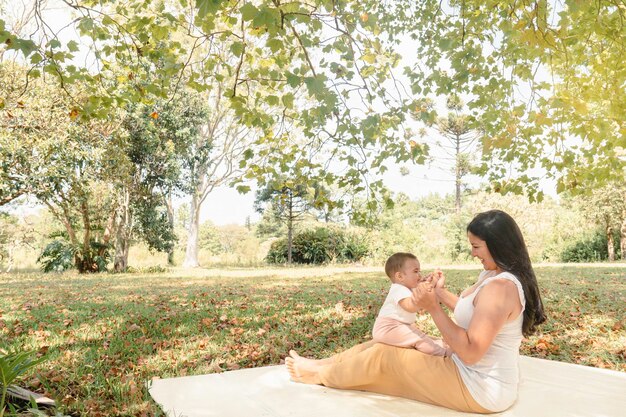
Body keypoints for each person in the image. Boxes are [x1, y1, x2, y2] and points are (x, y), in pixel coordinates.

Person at [285, 210, 546, 413]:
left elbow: (470, 352)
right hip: (471, 373)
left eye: (476, 246)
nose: (472, 252)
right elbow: (474, 314)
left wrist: (432, 307)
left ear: (497, 245)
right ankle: (322, 364)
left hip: (480, 388)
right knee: (380, 341)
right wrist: (441, 294)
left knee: (384, 357)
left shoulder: (500, 288)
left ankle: (317, 375)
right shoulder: (493, 275)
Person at [372, 252, 450, 357]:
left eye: (419, 271)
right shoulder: (398, 289)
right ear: (400, 276)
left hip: (399, 326)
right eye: (416, 271)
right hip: (388, 328)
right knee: (418, 338)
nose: (420, 275)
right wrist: (427, 289)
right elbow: (410, 306)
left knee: (420, 335)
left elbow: (421, 290)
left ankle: (438, 344)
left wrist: (431, 282)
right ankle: (443, 353)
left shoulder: (408, 287)